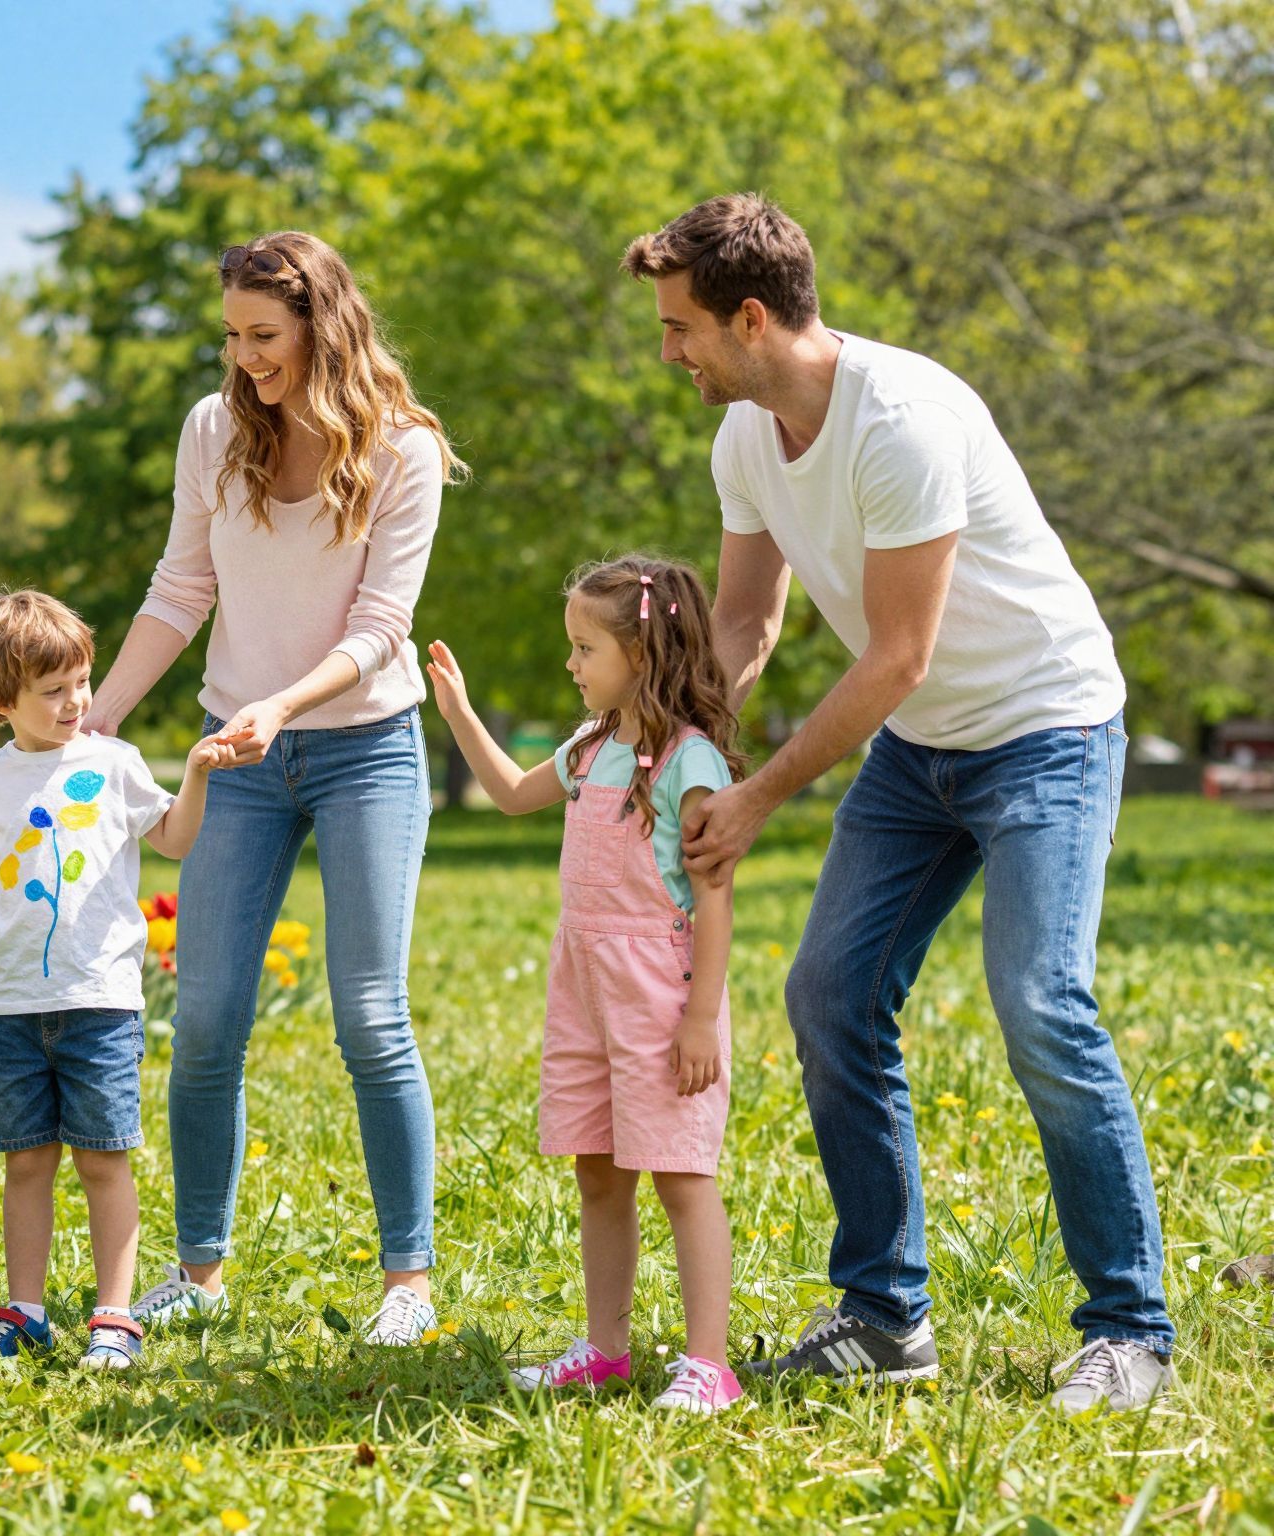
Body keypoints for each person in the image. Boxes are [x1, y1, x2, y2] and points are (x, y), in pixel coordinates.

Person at [623, 193, 1173, 1412]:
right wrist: (684, 744)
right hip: (918, 754)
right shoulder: (746, 441)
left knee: (1038, 1002)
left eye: (679, 329)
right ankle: (883, 1316)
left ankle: (1129, 1328)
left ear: (750, 317)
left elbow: (892, 656)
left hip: (1043, 727)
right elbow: (743, 621)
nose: (668, 352)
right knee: (828, 994)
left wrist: (761, 797)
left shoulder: (903, 421)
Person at [86, 231, 466, 1346]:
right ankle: (197, 1271)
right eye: (232, 335)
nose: (244, 357)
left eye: (264, 336)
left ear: (321, 326)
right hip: (234, 760)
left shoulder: (400, 449)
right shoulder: (214, 431)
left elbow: (379, 627)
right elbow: (180, 586)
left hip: (364, 747)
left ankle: (408, 1283)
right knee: (204, 1018)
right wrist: (100, 716)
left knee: (369, 1014)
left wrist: (284, 706)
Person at [429, 556, 747, 1413]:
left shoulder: (693, 763)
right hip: (586, 989)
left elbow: (713, 904)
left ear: (640, 654)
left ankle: (708, 1365)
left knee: (680, 1174)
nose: (571, 665)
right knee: (599, 1173)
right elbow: (506, 793)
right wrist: (457, 712)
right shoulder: (591, 748)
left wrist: (700, 1021)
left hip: (661, 993)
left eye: (584, 648)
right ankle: (607, 1350)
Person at [0, 590, 227, 1370]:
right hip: (15, 1004)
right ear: (2, 700)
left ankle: (114, 1315)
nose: (77, 701)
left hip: (99, 1000)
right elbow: (2, 878)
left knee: (104, 1157)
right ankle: (24, 1311)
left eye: (81, 681)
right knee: (27, 1159)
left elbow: (173, 839)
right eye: (54, 690)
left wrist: (198, 772)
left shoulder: (113, 763)